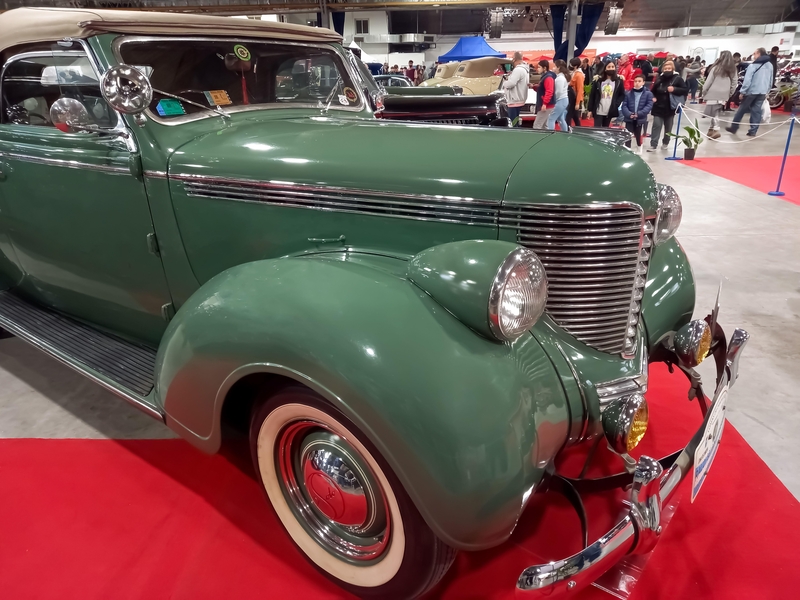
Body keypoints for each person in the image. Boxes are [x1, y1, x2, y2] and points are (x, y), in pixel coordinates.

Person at [725, 48, 774, 137]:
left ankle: (734, 127)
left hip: (751, 92)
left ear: (759, 54)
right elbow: (771, 80)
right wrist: (767, 91)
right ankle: (753, 131)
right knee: (756, 111)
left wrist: (742, 92)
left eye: (754, 53)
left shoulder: (753, 66)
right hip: (762, 92)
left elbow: (747, 80)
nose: (753, 55)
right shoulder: (770, 65)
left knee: (741, 110)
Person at [648, 60, 688, 151]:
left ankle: (666, 142)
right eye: (665, 68)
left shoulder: (677, 78)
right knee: (656, 125)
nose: (667, 70)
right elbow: (653, 91)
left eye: (669, 68)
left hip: (670, 107)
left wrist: (674, 89)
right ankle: (653, 144)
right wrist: (653, 97)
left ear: (672, 69)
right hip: (658, 106)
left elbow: (685, 90)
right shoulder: (659, 78)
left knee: (668, 127)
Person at [702, 51, 737, 139]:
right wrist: (730, 93)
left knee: (714, 112)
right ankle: (711, 129)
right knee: (716, 111)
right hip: (724, 93)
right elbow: (734, 82)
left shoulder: (715, 68)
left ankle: (716, 129)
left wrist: (704, 91)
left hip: (713, 93)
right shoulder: (733, 70)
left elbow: (708, 82)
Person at [587, 61, 625, 127]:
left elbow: (622, 94)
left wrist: (616, 104)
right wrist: (590, 109)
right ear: (605, 68)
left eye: (612, 67)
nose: (611, 68)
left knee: (605, 130)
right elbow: (592, 95)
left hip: (609, 111)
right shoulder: (598, 80)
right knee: (597, 130)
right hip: (598, 110)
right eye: (609, 67)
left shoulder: (618, 81)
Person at [621, 74, 653, 148]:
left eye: (639, 81)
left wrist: (639, 114)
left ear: (643, 82)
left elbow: (649, 106)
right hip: (629, 118)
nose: (637, 83)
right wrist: (629, 114)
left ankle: (639, 147)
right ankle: (627, 149)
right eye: (635, 81)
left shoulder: (648, 94)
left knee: (638, 134)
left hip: (640, 118)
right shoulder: (628, 94)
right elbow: (624, 105)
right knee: (628, 135)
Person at [502, 52, 529, 126]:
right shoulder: (524, 69)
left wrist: (504, 83)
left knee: (513, 123)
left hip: (514, 100)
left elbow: (511, 83)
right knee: (516, 121)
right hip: (519, 99)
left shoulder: (518, 70)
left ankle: (514, 136)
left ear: (514, 59)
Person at [547, 59, 570, 131]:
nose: (553, 68)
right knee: (561, 119)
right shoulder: (561, 77)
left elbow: (558, 92)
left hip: (560, 100)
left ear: (559, 68)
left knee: (551, 118)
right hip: (563, 100)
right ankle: (565, 133)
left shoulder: (560, 78)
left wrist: (553, 100)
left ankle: (550, 135)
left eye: (554, 66)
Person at [533, 60, 556, 129]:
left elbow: (549, 91)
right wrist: (534, 87)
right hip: (546, 105)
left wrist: (545, 103)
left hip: (546, 105)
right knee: (543, 126)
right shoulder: (546, 77)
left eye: (539, 67)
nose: (537, 69)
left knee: (537, 126)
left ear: (544, 68)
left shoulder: (548, 77)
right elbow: (544, 89)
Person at [567, 57, 585, 127]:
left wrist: (577, 103)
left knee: (568, 116)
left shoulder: (579, 75)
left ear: (575, 66)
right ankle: (578, 128)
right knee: (575, 117)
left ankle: (567, 130)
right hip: (572, 97)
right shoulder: (575, 73)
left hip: (574, 98)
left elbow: (580, 89)